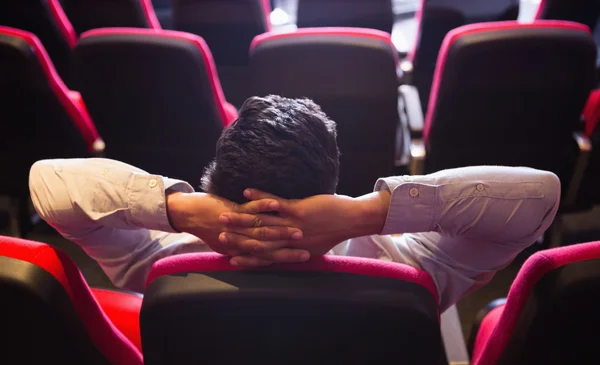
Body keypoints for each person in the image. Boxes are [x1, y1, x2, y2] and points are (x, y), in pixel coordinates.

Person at [29, 95, 560, 312]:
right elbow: (540, 196)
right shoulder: (413, 268)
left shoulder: (162, 266)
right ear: (330, 189)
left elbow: (49, 184)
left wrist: (184, 212)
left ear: (214, 185)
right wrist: (365, 213)